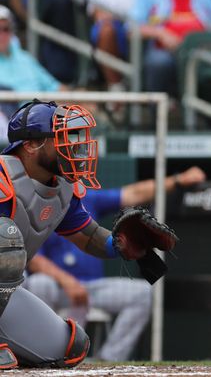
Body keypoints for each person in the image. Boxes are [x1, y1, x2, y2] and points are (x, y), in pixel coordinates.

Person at [0, 100, 175, 369]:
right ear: (31, 144)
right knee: (4, 236)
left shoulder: (60, 188)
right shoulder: (3, 176)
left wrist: (120, 245)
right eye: (61, 137)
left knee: (69, 348)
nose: (73, 145)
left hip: (7, 294)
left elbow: (88, 236)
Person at [25, 166, 206, 361]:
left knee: (142, 293)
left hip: (93, 288)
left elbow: (133, 193)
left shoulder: (86, 199)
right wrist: (68, 282)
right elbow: (33, 258)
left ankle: (108, 360)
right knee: (39, 283)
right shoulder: (35, 204)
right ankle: (42, 354)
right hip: (57, 290)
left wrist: (177, 180)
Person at [0, 6, 62, 92]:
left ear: (11, 31)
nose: (2, 35)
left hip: (40, 103)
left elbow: (55, 87)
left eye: (6, 29)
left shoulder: (25, 58)